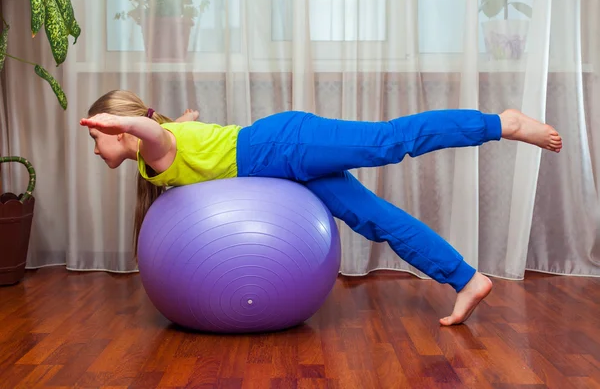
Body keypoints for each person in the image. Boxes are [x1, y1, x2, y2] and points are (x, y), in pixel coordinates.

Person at [81, 89, 563, 326]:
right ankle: (467, 279)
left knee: (388, 142)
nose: (95, 148)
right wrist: (177, 121)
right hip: (284, 166)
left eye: (94, 138)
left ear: (117, 130)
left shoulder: (152, 150)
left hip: (284, 143)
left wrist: (111, 119)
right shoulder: (155, 159)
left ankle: (503, 123)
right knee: (374, 219)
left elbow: (154, 131)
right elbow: (175, 128)